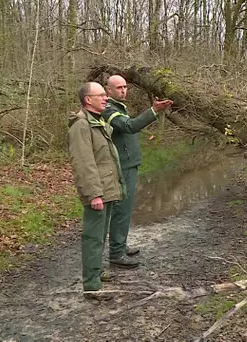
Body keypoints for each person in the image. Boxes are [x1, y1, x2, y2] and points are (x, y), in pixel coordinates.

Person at [102, 74, 173, 268]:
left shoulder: (118, 107)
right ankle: (116, 253)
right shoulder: (108, 109)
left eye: (125, 87)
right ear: (108, 90)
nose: (123, 90)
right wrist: (153, 111)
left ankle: (120, 245)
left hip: (129, 164)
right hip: (121, 166)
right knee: (121, 209)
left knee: (126, 208)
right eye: (118, 87)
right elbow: (129, 126)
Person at [67, 81, 124, 301]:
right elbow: (84, 163)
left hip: (107, 187)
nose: (105, 98)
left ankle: (96, 271)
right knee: (93, 237)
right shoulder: (81, 126)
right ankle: (91, 285)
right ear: (87, 100)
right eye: (100, 95)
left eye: (105, 95)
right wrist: (93, 194)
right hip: (97, 191)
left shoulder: (97, 122)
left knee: (101, 235)